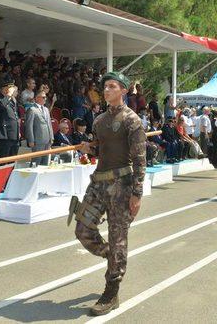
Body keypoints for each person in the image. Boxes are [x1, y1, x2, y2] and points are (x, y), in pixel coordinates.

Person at [70, 71, 146, 316]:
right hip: (98, 185)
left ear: (123, 90)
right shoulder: (99, 120)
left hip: (121, 187)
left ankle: (111, 291)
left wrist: (137, 193)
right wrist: (89, 148)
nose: (107, 90)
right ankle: (112, 256)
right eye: (105, 87)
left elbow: (139, 159)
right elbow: (100, 149)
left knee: (118, 237)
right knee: (82, 230)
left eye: (112, 86)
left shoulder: (131, 120)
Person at [25, 90, 53, 167]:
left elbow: (49, 124)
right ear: (37, 98)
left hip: (47, 140)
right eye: (43, 97)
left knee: (45, 163)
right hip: (37, 141)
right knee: (36, 162)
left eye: (45, 97)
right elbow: (29, 126)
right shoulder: (32, 110)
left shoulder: (46, 109)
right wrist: (31, 140)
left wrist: (51, 137)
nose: (45, 99)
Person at [0, 80, 20, 159]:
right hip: (3, 134)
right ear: (5, 89)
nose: (13, 91)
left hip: (13, 134)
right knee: (3, 160)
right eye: (11, 88)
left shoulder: (11, 100)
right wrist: (8, 95)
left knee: (12, 160)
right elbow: (1, 107)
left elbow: (16, 116)